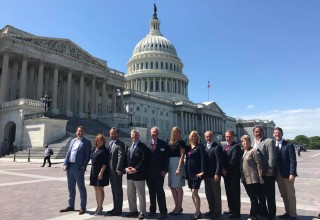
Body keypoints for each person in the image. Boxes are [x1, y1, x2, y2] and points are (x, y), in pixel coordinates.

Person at [60, 126, 92, 215]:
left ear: (84, 133)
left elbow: (87, 156)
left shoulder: (87, 142)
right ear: (76, 132)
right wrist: (65, 163)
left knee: (81, 187)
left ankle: (83, 207)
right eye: (78, 131)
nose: (80, 133)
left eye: (82, 131)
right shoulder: (72, 141)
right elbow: (68, 153)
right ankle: (71, 205)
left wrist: (83, 167)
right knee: (71, 187)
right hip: (70, 167)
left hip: (78, 168)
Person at [253, 125, 277, 218]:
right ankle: (263, 211)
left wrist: (270, 169)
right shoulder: (253, 142)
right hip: (257, 174)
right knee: (260, 195)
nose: (257, 133)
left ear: (263, 132)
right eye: (255, 132)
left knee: (269, 195)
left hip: (267, 173)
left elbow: (272, 157)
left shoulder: (269, 141)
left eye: (259, 131)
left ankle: (271, 214)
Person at [274, 127, 297, 220]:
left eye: (279, 132)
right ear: (273, 134)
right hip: (278, 174)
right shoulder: (273, 145)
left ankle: (293, 214)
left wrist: (292, 173)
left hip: (287, 174)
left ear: (282, 134)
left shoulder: (288, 145)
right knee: (283, 194)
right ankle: (287, 212)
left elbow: (293, 161)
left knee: (290, 195)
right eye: (275, 133)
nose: (277, 134)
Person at [125, 129, 149, 219]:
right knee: (130, 194)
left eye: (135, 135)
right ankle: (133, 211)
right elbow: (126, 159)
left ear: (138, 136)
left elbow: (144, 160)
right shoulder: (129, 146)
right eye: (132, 135)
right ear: (131, 136)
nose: (134, 136)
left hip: (139, 174)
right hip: (130, 174)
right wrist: (126, 168)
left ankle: (142, 212)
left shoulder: (142, 146)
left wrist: (136, 169)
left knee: (141, 194)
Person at [146, 126, 169, 219]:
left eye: (156, 132)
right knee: (151, 192)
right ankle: (152, 210)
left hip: (160, 173)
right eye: (153, 132)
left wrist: (165, 170)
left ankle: (163, 211)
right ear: (150, 133)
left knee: (160, 192)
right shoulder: (146, 144)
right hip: (149, 173)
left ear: (158, 133)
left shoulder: (163, 144)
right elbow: (144, 159)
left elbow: (166, 158)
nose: (154, 134)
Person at [241, 135, 263, 220]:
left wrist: (260, 176)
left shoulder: (253, 151)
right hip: (245, 179)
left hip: (253, 178)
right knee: (252, 197)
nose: (245, 143)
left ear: (250, 142)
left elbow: (259, 164)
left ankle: (253, 216)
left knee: (253, 198)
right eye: (243, 141)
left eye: (246, 141)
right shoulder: (243, 151)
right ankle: (256, 214)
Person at [185, 131, 205, 220]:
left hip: (197, 173)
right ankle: (197, 210)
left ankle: (197, 212)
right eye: (192, 136)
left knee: (194, 192)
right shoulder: (188, 147)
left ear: (197, 138)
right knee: (192, 193)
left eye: (195, 136)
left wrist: (202, 171)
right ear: (190, 137)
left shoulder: (200, 147)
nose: (193, 138)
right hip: (189, 172)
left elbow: (203, 159)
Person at [222, 129, 241, 219]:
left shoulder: (236, 146)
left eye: (229, 136)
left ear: (233, 136)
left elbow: (233, 160)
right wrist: (222, 169)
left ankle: (236, 212)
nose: (227, 138)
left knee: (235, 193)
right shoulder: (225, 146)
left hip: (233, 174)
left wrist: (226, 170)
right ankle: (231, 209)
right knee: (228, 192)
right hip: (226, 174)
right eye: (226, 136)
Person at [203, 130, 223, 218]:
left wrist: (217, 173)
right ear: (205, 137)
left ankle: (217, 211)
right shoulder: (204, 147)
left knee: (216, 194)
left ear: (213, 136)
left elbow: (219, 161)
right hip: (206, 175)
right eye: (207, 136)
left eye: (210, 136)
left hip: (214, 175)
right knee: (209, 194)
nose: (208, 138)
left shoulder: (217, 147)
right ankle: (211, 209)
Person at [107, 127, 126, 216]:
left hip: (116, 171)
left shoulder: (120, 144)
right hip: (110, 171)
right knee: (114, 190)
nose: (112, 135)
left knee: (118, 190)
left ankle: (118, 209)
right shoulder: (110, 143)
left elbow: (120, 156)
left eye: (114, 133)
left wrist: (119, 169)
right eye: (111, 133)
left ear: (118, 134)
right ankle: (115, 207)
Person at [168, 127, 186, 215]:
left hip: (177, 164)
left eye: (177, 132)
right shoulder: (170, 143)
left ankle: (179, 207)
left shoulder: (181, 142)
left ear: (180, 133)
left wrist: (179, 167)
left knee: (178, 187)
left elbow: (182, 156)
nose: (176, 134)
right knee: (171, 186)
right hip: (171, 165)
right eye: (174, 132)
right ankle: (177, 206)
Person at [89, 134, 109, 215]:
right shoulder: (94, 149)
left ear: (103, 141)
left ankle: (100, 207)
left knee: (100, 189)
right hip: (94, 171)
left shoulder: (105, 150)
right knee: (96, 189)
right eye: (98, 140)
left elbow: (105, 163)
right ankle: (98, 206)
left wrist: (101, 172)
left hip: (101, 171)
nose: (99, 142)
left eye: (101, 140)